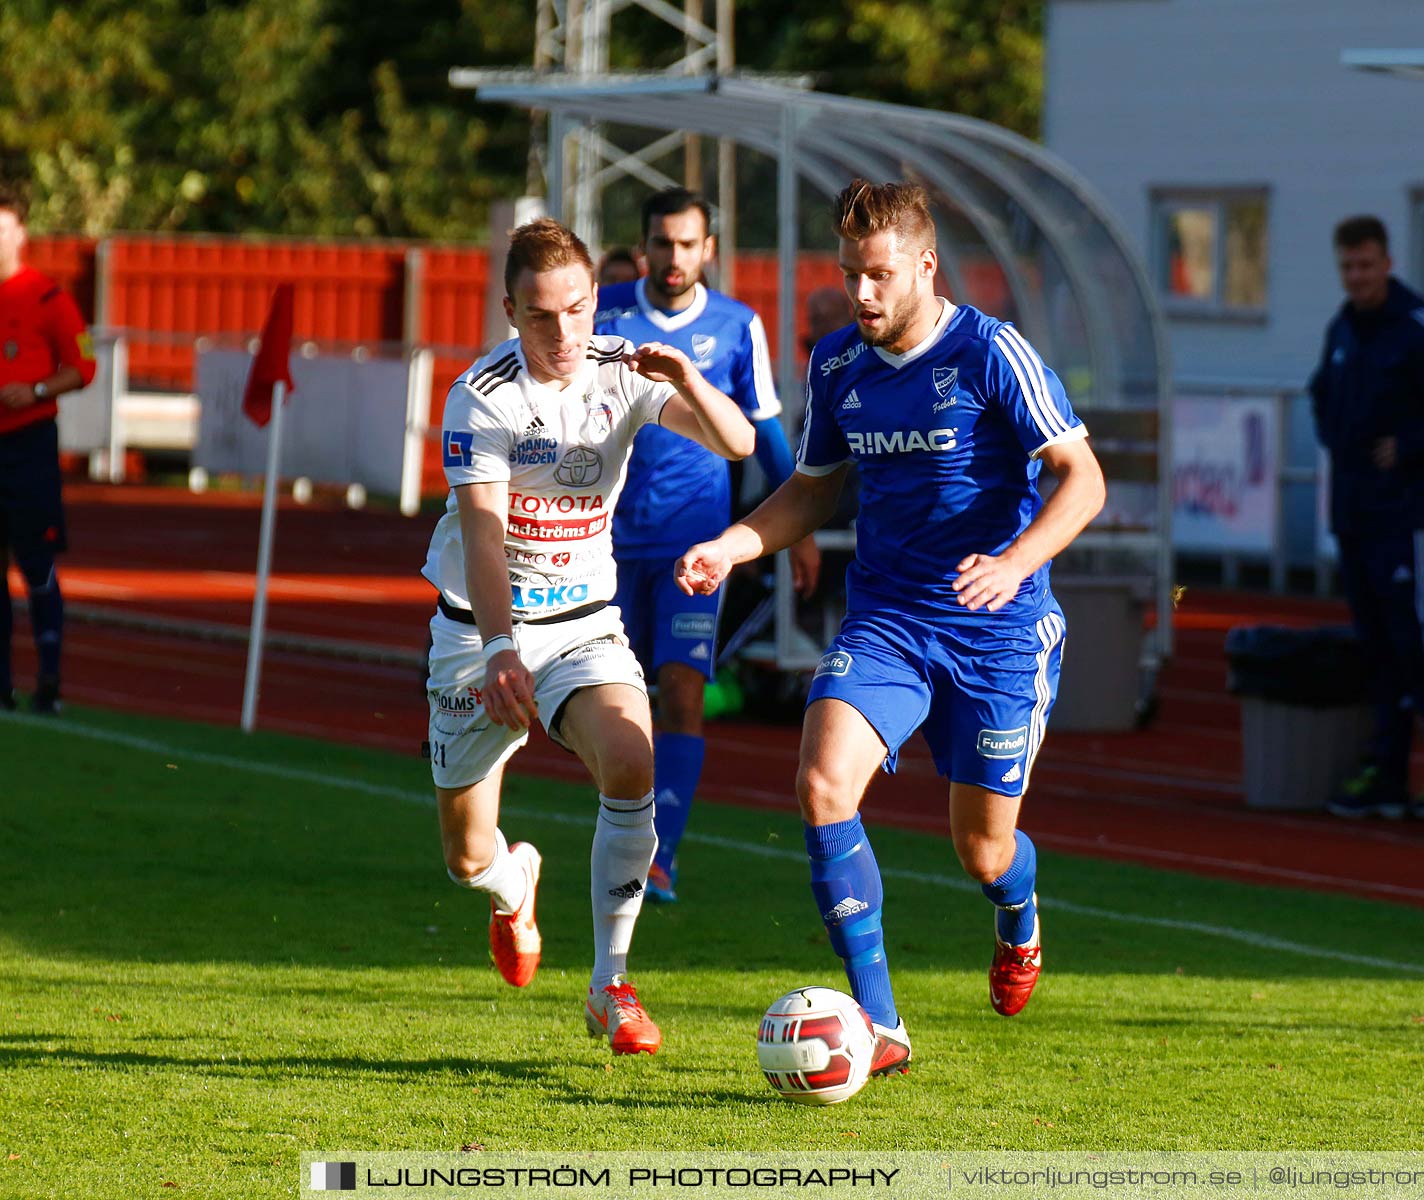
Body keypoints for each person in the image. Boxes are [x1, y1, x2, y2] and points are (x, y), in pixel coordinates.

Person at [675, 179, 1108, 1077]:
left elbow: (1084, 479)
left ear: (924, 265)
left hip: (998, 631)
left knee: (983, 850)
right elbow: (812, 488)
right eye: (849, 275)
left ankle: (1018, 916)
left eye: (877, 276)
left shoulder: (993, 354)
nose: (861, 294)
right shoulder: (837, 366)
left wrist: (1015, 562)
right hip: (889, 621)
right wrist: (732, 544)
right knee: (823, 786)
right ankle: (881, 1023)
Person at [421, 216, 753, 1055]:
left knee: (632, 758)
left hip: (582, 625)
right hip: (479, 633)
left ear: (594, 300)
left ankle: (610, 982)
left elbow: (739, 441)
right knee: (465, 856)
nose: (562, 332)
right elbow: (486, 534)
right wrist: (498, 648)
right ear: (510, 311)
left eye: (575, 309)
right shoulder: (482, 396)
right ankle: (514, 883)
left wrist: (687, 378)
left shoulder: (624, 370)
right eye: (540, 316)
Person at [596, 188, 821, 904]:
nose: (674, 257)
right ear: (643, 247)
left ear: (709, 250)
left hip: (696, 542)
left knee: (684, 694)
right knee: (610, 702)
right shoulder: (604, 314)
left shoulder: (736, 326)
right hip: (603, 541)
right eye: (662, 243)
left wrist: (799, 528)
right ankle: (625, 831)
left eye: (688, 244)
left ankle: (663, 854)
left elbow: (768, 431)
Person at [1309, 215, 1424, 821]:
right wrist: (1342, 447)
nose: (1357, 277)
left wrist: (1412, 446)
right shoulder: (1343, 327)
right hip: (1355, 513)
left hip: (1403, 516)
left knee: (1417, 645)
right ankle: (1388, 773)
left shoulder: (1419, 330)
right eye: (1347, 267)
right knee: (1378, 650)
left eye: (1366, 265)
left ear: (1387, 263)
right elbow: (1320, 394)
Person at [0, 183, 96, 715]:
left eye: (2, 230)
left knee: (35, 562)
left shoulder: (48, 298)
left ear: (21, 234)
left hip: (29, 444)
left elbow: (83, 366)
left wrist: (34, 390)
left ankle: (50, 679)